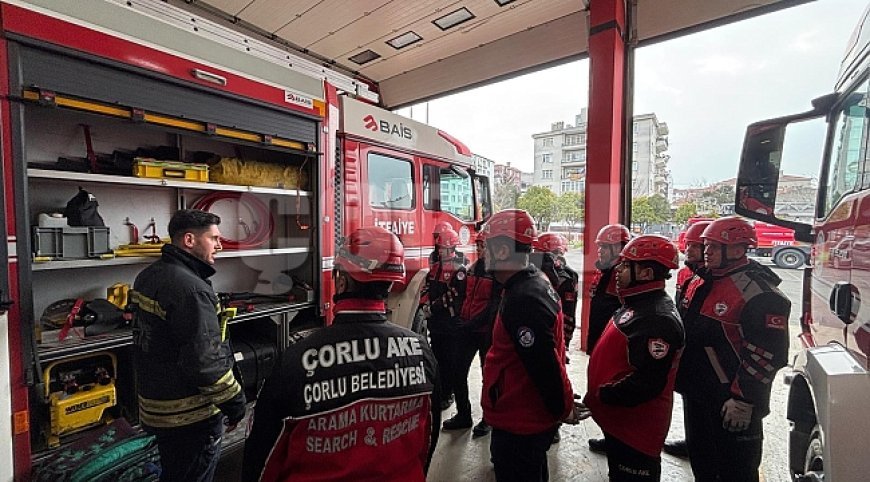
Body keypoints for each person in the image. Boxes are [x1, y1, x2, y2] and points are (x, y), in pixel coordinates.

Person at [243, 226, 440, 481]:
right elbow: (428, 439)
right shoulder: (420, 352)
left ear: (342, 280)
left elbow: (263, 459)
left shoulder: (297, 361)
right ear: (390, 285)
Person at [131, 209, 246, 482]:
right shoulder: (191, 289)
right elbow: (205, 363)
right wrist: (236, 404)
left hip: (160, 407)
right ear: (190, 240)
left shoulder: (148, 276)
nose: (219, 245)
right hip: (192, 417)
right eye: (214, 238)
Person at [676, 217, 790, 481]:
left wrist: (744, 399)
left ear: (738, 250)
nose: (707, 251)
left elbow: (767, 354)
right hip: (698, 393)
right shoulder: (701, 279)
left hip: (730, 401)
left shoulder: (761, 293)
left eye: (715, 246)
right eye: (706, 245)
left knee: (735, 470)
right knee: (703, 461)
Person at [481, 209, 583, 482]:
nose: (482, 255)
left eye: (486, 247)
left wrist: (562, 408)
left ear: (502, 249)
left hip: (521, 423)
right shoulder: (531, 282)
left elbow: (544, 365)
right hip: (524, 418)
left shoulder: (524, 297)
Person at [584, 235, 685, 481]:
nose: (618, 270)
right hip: (620, 423)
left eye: (626, 265)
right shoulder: (638, 303)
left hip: (636, 430)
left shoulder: (657, 318)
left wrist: (605, 395)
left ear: (646, 272)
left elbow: (648, 382)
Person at [663, 220, 710, 458]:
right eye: (688, 244)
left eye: (695, 246)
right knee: (691, 402)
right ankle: (693, 443)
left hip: (712, 364)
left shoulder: (719, 282)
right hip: (689, 353)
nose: (687, 250)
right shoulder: (688, 275)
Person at [586, 223, 630, 454]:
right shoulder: (603, 272)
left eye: (605, 247)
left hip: (613, 346)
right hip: (599, 342)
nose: (600, 251)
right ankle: (610, 436)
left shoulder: (622, 276)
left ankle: (616, 440)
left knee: (612, 393)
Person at [452, 230, 500, 436]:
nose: (481, 250)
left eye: (485, 246)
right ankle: (463, 415)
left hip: (485, 333)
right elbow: (461, 297)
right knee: (457, 372)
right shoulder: (470, 270)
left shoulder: (498, 274)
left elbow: (494, 307)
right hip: (467, 329)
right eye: (479, 246)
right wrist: (459, 318)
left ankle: (488, 419)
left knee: (488, 377)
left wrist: (472, 323)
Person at [421, 226, 467, 412]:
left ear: (450, 247)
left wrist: (433, 307)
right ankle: (440, 392)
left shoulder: (460, 268)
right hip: (436, 324)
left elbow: (454, 294)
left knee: (450, 362)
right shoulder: (436, 266)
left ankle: (448, 395)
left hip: (450, 324)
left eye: (441, 247)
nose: (438, 250)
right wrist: (423, 304)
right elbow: (426, 285)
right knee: (437, 359)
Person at [533, 233, 579, 358]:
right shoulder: (532, 273)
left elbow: (568, 314)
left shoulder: (568, 277)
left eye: (537, 251)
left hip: (549, 335)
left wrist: (564, 344)